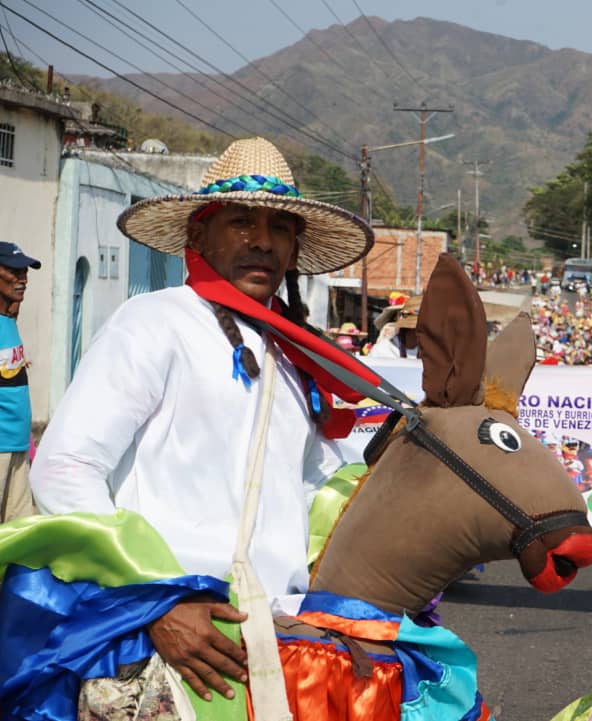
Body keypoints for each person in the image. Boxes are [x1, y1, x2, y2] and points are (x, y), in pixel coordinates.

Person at [27, 138, 372, 703]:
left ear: (294, 246)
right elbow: (64, 470)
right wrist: (158, 601)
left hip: (277, 643)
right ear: (198, 235)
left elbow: (316, 491)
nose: (262, 241)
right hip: (160, 641)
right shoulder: (153, 324)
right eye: (241, 222)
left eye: (280, 227)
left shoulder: (294, 359)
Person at [0, 241, 40, 522]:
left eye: (25, 271)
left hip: (17, 442)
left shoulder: (9, 319)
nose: (22, 279)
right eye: (14, 271)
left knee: (19, 532)